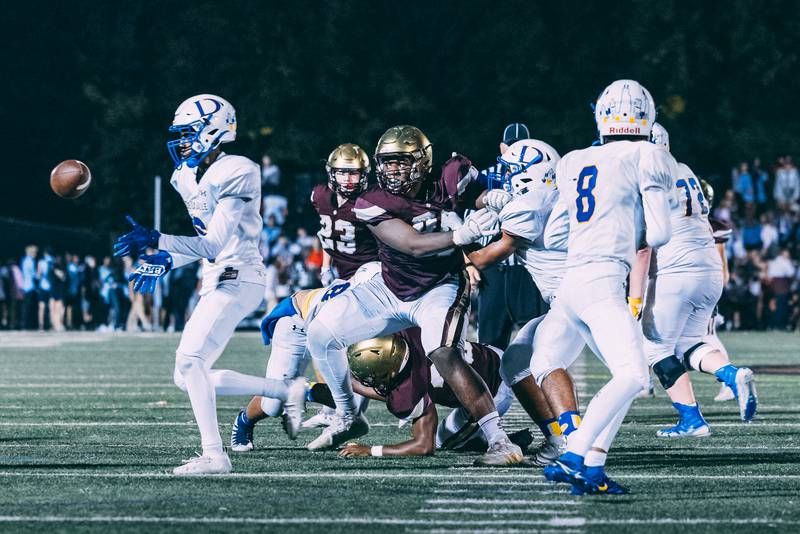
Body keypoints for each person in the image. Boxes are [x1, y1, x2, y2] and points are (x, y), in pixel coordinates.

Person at [305, 125, 523, 466]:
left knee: (442, 353)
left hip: (439, 286)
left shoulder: (452, 175)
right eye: (386, 163)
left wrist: (488, 198)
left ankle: (500, 440)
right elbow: (412, 245)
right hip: (390, 287)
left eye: (400, 161)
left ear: (423, 161)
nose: (392, 170)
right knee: (319, 334)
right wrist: (461, 233)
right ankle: (347, 414)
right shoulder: (371, 201)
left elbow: (475, 195)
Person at [113, 94, 305, 475]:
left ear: (213, 130)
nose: (181, 141)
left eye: (188, 133)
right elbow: (204, 243)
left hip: (240, 276)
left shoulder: (238, 169)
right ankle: (285, 391)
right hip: (216, 276)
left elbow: (217, 244)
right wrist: (170, 258)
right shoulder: (185, 176)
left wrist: (160, 242)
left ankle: (215, 455)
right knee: (187, 376)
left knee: (189, 360)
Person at [541, 80, 675, 494]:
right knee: (635, 376)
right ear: (647, 116)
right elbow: (660, 233)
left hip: (571, 283)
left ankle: (592, 468)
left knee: (628, 376)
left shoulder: (575, 159)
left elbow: (553, 235)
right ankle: (574, 453)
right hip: (602, 283)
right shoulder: (648, 153)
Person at [630, 123, 757, 440]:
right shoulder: (684, 169)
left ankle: (692, 420)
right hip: (709, 270)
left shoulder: (648, 175)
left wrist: (635, 297)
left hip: (676, 272)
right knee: (689, 344)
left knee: (654, 349)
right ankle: (732, 374)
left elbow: (645, 245)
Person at [475, 123, 546, 349]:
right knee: (490, 341)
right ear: (502, 147)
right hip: (494, 268)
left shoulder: (539, 173)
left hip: (527, 267)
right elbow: (469, 203)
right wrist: (487, 198)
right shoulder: (488, 175)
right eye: (512, 146)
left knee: (538, 339)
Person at [20, 245, 38, 330]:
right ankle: (26, 324)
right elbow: (33, 274)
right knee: (27, 307)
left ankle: (26, 324)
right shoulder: (30, 261)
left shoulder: (25, 260)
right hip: (29, 286)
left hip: (27, 286)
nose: (35, 254)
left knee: (27, 306)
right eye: (35, 252)